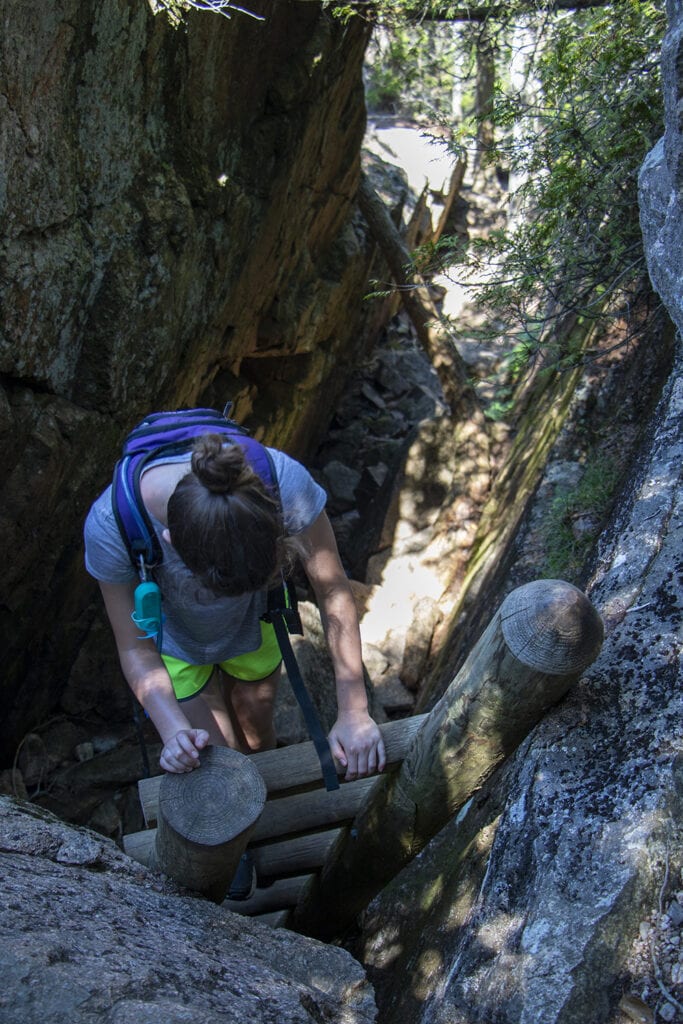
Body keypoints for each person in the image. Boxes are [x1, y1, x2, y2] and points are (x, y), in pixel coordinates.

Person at [84, 431, 386, 784]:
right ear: (170, 541)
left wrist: (354, 711)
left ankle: (274, 797)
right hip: (176, 642)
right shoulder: (112, 526)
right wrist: (174, 732)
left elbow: (332, 588)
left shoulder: (284, 485)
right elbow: (135, 646)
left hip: (258, 622)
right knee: (219, 759)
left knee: (258, 734)